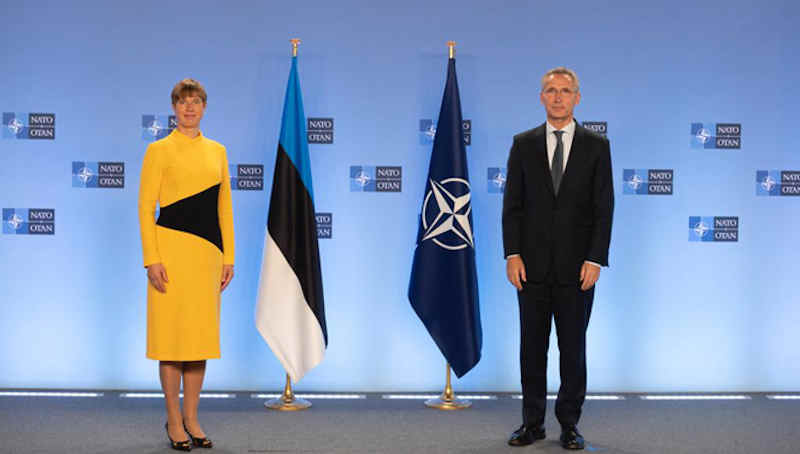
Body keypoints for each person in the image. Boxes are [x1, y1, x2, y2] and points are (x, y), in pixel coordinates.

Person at [502, 67, 613, 450]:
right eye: (551, 90)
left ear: (577, 98)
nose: (558, 97)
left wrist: (595, 259)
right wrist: (512, 254)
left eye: (565, 91)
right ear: (541, 97)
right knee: (531, 349)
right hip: (530, 270)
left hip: (577, 270)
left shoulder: (597, 147)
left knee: (572, 351)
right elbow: (512, 208)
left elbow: (604, 209)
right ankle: (531, 424)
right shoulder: (523, 144)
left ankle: (569, 425)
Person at [138, 78, 235, 451]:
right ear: (174, 108)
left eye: (196, 102)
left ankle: (192, 417)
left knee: (198, 341)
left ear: (204, 108)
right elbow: (147, 208)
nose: (189, 108)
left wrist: (229, 257)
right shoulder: (158, 150)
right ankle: (174, 420)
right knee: (171, 339)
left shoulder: (218, 151)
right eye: (183, 102)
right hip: (170, 255)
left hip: (207, 256)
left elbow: (224, 208)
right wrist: (152, 259)